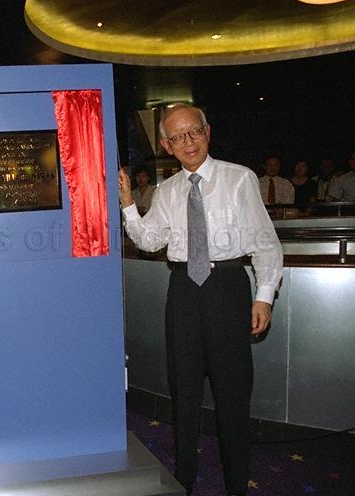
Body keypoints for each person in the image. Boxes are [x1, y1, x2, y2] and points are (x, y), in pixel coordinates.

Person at [118, 104, 283, 496]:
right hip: (183, 292)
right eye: (178, 137)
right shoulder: (166, 191)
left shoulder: (239, 178)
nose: (188, 142)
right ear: (167, 146)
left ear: (207, 132)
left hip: (227, 286)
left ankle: (237, 482)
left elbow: (265, 242)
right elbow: (150, 241)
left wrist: (263, 297)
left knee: (232, 391)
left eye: (194, 132)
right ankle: (186, 477)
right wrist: (127, 203)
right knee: (184, 388)